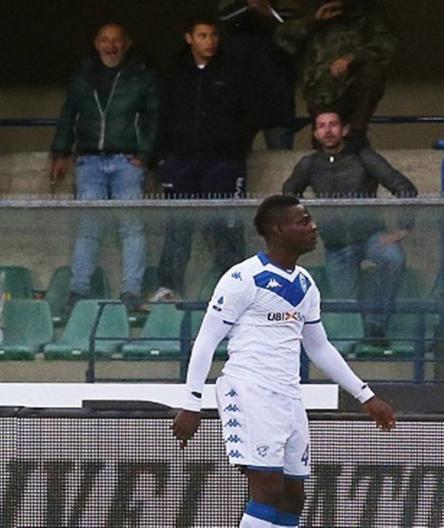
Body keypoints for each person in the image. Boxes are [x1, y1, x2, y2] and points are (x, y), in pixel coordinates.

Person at [172, 194, 396, 528]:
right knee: (268, 490)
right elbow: (206, 340)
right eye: (303, 222)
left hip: (289, 397)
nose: (313, 227)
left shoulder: (305, 283)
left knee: (294, 497)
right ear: (277, 229)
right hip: (249, 391)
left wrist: (366, 395)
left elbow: (319, 347)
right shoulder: (243, 278)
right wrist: (192, 403)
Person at [49, 23, 158, 312]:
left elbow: (152, 118)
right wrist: (60, 152)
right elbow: (68, 114)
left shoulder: (140, 76)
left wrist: (144, 155)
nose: (111, 46)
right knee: (88, 228)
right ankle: (78, 292)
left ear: (127, 43)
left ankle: (131, 292)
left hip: (127, 161)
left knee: (131, 228)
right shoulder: (83, 75)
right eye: (105, 40)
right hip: (89, 161)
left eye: (116, 41)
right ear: (96, 43)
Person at [282, 111, 416, 345]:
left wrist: (403, 229)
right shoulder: (309, 163)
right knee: (347, 303)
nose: (328, 130)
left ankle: (377, 328)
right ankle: (358, 341)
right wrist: (305, 223)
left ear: (344, 130)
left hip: (371, 236)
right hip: (336, 244)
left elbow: (404, 188)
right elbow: (288, 193)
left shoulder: (364, 157)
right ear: (315, 133)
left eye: (333, 124)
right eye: (321, 126)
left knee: (393, 258)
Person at [151, 16, 256, 302]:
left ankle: (236, 290)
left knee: (227, 226)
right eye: (202, 35)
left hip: (224, 162)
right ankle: (169, 286)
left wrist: (235, 147)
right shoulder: (175, 73)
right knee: (178, 226)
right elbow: (163, 116)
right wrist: (161, 158)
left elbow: (249, 114)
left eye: (213, 35)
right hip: (182, 161)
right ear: (189, 38)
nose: (210, 41)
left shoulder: (233, 72)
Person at [274, 0, 397, 144]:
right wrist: (314, 20)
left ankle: (356, 132)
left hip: (354, 89)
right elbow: (282, 38)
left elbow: (386, 46)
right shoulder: (308, 8)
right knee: (326, 146)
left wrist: (352, 58)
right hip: (320, 90)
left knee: (372, 72)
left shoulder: (368, 12)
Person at [218, 0, 299, 150]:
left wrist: (268, 12)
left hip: (277, 92)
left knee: (280, 152)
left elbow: (294, 22)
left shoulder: (282, 7)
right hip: (242, 92)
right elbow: (223, 16)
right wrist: (248, 6)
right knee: (236, 153)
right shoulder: (236, 6)